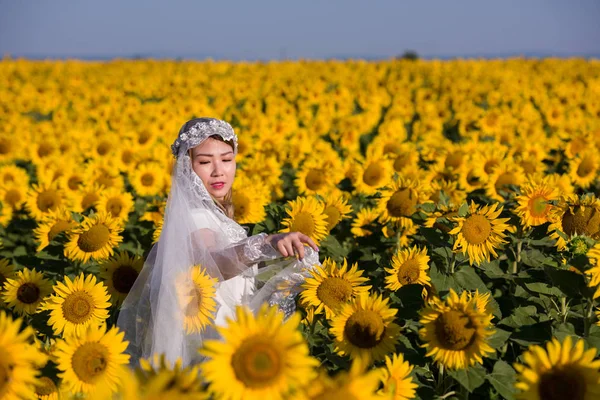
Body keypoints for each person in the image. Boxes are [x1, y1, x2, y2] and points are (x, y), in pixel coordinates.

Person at [117, 118, 320, 367]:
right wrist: (266, 242)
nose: (218, 171)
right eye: (204, 162)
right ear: (186, 166)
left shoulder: (211, 212)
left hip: (227, 334)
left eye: (226, 159)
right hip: (215, 341)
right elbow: (214, 262)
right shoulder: (196, 217)